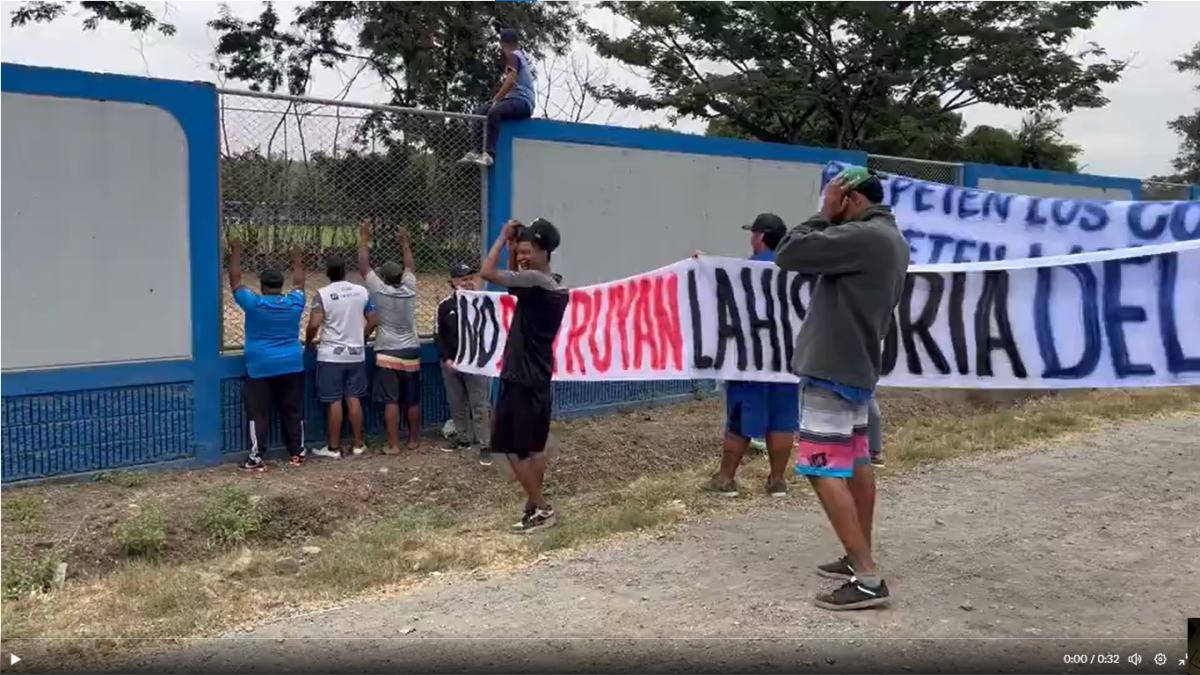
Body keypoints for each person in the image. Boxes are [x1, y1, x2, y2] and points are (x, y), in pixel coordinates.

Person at [774, 166, 910, 611]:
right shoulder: (889, 238)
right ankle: (858, 557)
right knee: (854, 465)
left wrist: (822, 213)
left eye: (835, 197)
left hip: (833, 369)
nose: (830, 204)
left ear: (851, 199)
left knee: (818, 466)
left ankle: (867, 576)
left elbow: (789, 251)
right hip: (854, 368)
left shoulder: (864, 236)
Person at [700, 213, 800, 498]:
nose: (751, 238)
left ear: (760, 237)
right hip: (787, 359)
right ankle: (777, 481)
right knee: (782, 417)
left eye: (753, 234)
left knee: (742, 417)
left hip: (750, 359)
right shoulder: (797, 269)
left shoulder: (746, 270)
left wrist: (704, 265)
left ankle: (725, 479)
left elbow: (718, 290)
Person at [479, 218, 569, 534]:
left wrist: (503, 238)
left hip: (519, 378)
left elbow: (487, 274)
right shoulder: (552, 283)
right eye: (521, 250)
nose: (522, 256)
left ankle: (542, 508)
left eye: (528, 250)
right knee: (532, 447)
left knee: (507, 447)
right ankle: (534, 507)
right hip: (539, 377)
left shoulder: (535, 281)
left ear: (544, 251)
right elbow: (517, 278)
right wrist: (515, 251)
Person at [228, 239, 308, 471]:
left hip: (260, 366)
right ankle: (297, 453)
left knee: (258, 413)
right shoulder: (294, 302)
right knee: (292, 411)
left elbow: (235, 281)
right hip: (292, 364)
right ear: (281, 285)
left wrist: (236, 251)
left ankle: (256, 457)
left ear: (262, 286)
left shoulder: (254, 303)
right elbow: (300, 283)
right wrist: (296, 258)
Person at [358, 221, 421, 454]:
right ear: (401, 277)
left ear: (383, 277)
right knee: (412, 400)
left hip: (388, 352)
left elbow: (364, 266)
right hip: (411, 350)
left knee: (391, 401)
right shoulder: (410, 289)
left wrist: (364, 237)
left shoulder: (379, 291)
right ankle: (414, 439)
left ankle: (393, 444)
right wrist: (404, 242)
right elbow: (411, 267)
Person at [306, 254, 377, 459]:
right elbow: (373, 320)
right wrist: (361, 337)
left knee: (334, 401)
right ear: (345, 271)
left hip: (331, 356)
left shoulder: (322, 294)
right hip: (356, 354)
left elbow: (314, 324)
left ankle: (334, 448)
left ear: (327, 273)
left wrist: (309, 340)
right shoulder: (362, 291)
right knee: (354, 399)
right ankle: (358, 444)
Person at [435, 262, 493, 466]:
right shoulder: (445, 305)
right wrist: (447, 359)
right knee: (457, 402)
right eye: (462, 278)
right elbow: (439, 335)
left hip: (477, 363)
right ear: (452, 282)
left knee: (480, 404)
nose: (467, 282)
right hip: (453, 363)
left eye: (470, 278)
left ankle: (486, 444)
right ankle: (463, 438)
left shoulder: (484, 302)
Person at [462, 28, 535, 167]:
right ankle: (476, 151)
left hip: (523, 102)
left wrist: (496, 99)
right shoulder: (520, 55)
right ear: (517, 42)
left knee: (495, 110)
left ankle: (489, 154)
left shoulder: (515, 56)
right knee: (480, 111)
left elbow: (510, 81)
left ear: (502, 45)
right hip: (514, 99)